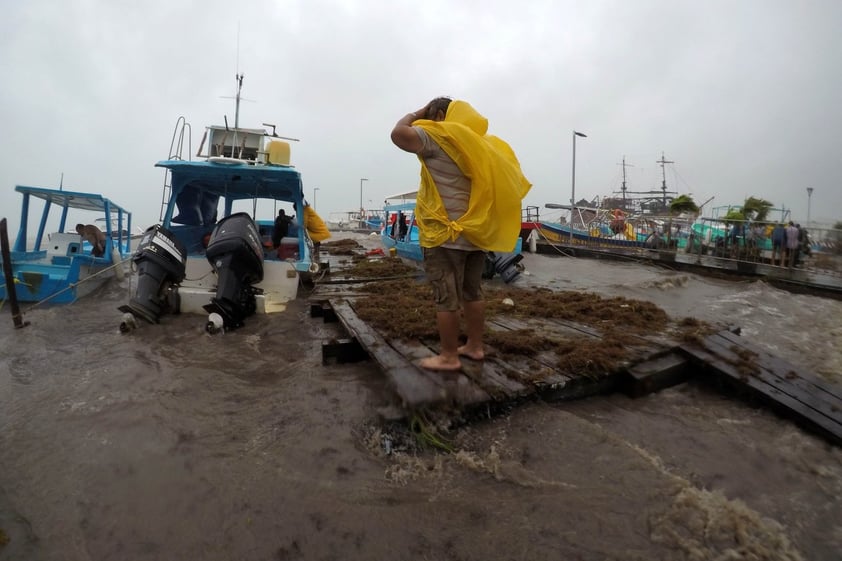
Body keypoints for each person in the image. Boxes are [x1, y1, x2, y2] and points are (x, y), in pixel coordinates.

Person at [390, 97, 531, 371]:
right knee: (473, 292)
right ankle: (475, 347)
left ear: (441, 116)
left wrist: (417, 113)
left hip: (445, 234)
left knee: (446, 296)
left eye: (431, 118)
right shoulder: (481, 144)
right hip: (475, 232)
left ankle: (448, 356)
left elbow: (398, 134)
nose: (426, 123)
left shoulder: (438, 137)